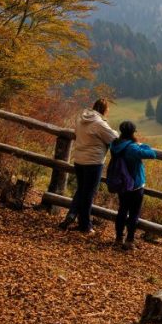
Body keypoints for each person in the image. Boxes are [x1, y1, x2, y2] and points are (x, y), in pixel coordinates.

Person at [59, 98, 118, 234]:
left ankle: (71, 215)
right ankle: (85, 225)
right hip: (93, 162)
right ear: (104, 110)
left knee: (81, 190)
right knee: (88, 194)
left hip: (79, 160)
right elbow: (113, 138)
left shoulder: (81, 119)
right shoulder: (99, 123)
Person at [109, 121, 156, 250]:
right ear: (133, 132)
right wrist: (143, 145)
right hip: (135, 185)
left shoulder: (115, 144)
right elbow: (152, 154)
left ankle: (118, 238)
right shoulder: (132, 148)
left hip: (121, 183)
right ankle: (129, 240)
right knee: (134, 213)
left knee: (122, 210)